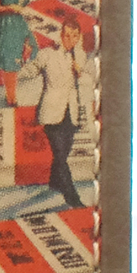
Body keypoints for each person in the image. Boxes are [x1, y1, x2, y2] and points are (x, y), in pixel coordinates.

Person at [31, 20, 93, 211]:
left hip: (71, 113)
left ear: (79, 37)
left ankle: (55, 182)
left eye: (75, 36)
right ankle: (72, 197)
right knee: (60, 155)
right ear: (61, 35)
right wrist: (24, 58)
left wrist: (80, 72)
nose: (70, 40)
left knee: (62, 154)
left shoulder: (81, 57)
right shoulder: (48, 54)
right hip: (51, 112)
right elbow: (30, 71)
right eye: (67, 35)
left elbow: (91, 82)